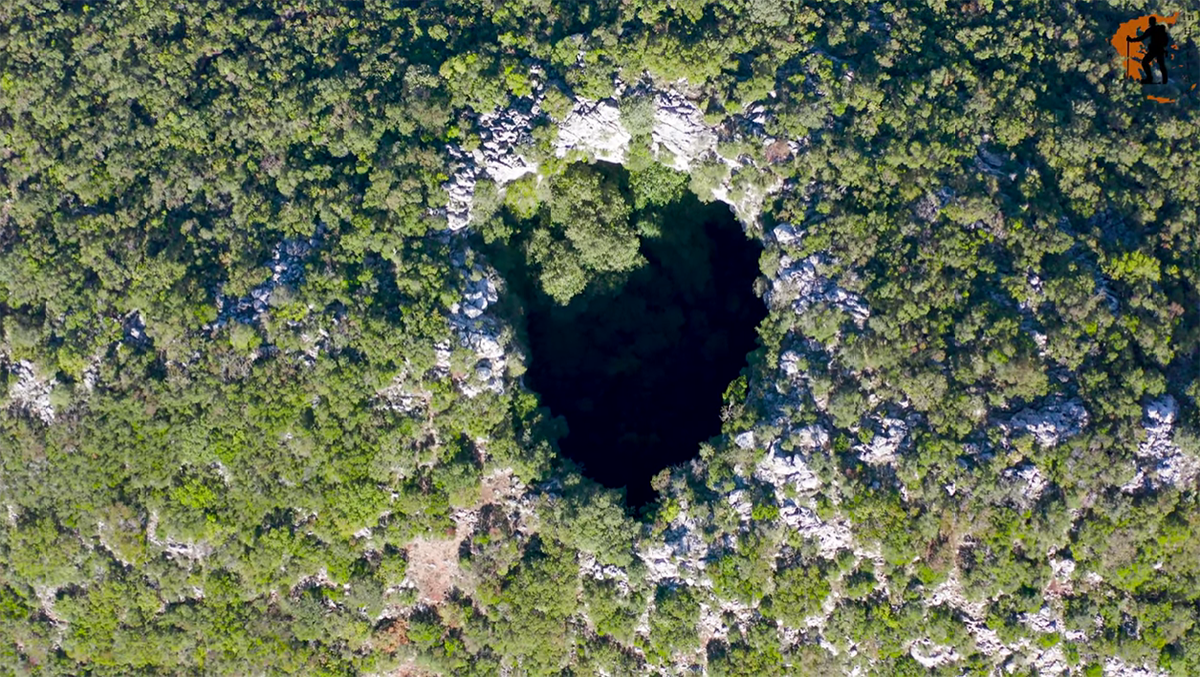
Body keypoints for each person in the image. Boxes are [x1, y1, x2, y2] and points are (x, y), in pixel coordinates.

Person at [1128, 17, 1171, 84]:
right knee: (1161, 64)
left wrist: (1131, 40)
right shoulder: (1159, 29)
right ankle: (1164, 80)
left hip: (1154, 50)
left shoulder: (1151, 30)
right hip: (1160, 49)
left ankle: (1150, 78)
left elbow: (1142, 37)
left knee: (1145, 62)